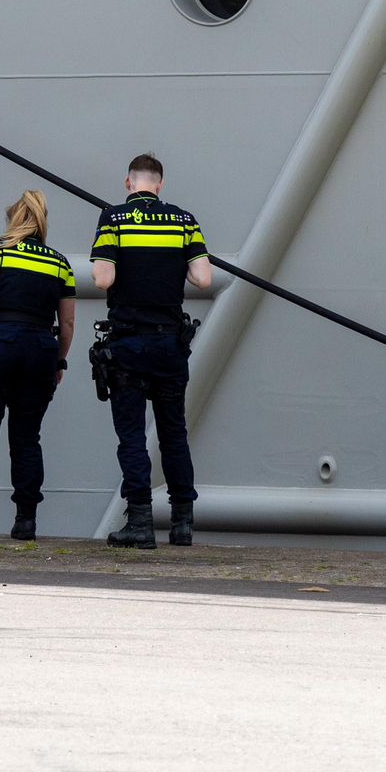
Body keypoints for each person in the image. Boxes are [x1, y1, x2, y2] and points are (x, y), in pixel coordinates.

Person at [91, 154, 213, 549]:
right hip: (169, 345)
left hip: (128, 343)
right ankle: (182, 523)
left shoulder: (113, 219)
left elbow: (102, 278)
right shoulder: (184, 220)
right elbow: (203, 278)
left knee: (131, 435)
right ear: (159, 184)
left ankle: (140, 522)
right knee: (173, 433)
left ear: (129, 183)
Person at [0, 190, 77, 542]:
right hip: (39, 349)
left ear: (13, 219)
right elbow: (67, 322)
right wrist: (59, 359)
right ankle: (25, 521)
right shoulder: (60, 262)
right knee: (26, 439)